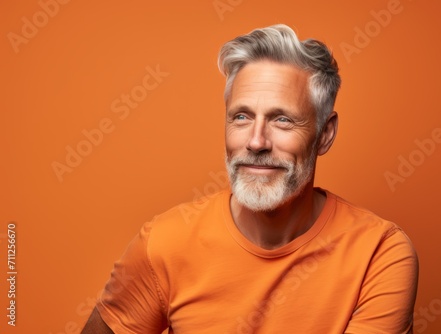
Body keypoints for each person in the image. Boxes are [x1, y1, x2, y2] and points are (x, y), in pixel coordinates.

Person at [82, 24, 418, 334]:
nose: (256, 141)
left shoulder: (379, 253)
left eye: (282, 120)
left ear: (324, 134)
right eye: (241, 117)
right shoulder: (163, 243)